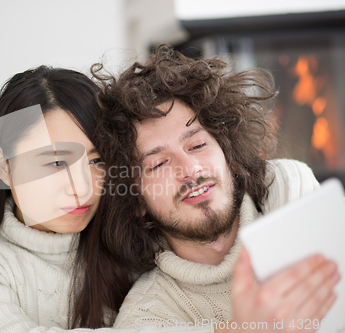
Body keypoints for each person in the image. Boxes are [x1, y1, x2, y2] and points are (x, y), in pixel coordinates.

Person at [93, 44, 340, 332]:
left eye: (197, 145)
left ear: (228, 152)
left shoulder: (287, 189)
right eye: (158, 164)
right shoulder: (147, 317)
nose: (191, 170)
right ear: (136, 201)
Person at [0, 66, 139, 333]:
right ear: (4, 166)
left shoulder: (125, 243)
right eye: (57, 162)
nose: (82, 189)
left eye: (97, 161)